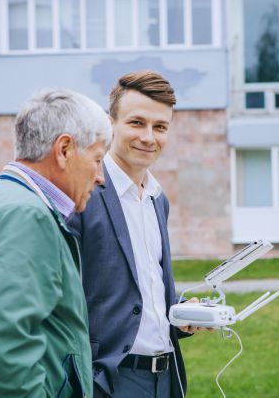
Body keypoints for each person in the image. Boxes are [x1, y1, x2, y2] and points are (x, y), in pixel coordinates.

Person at [0, 88, 112, 397]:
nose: (101, 176)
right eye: (97, 159)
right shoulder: (25, 215)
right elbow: (9, 343)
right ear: (64, 150)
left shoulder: (1, 200)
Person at [69, 71, 202, 398]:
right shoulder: (84, 194)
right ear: (110, 122)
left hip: (166, 378)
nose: (149, 137)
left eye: (160, 127)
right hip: (109, 380)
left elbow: (147, 292)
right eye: (136, 123)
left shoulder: (159, 199)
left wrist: (182, 314)